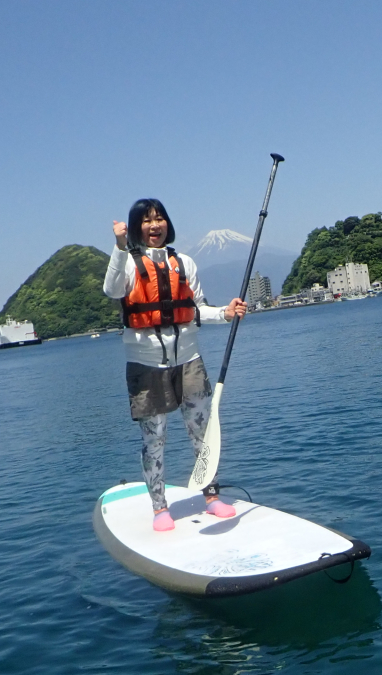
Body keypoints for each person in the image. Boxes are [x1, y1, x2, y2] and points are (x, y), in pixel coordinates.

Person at [103, 198, 247, 532]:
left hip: (190, 361)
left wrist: (224, 313)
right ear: (137, 226)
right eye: (147, 221)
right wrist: (119, 246)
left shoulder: (184, 263)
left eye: (160, 219)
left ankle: (211, 496)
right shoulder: (126, 262)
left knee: (202, 431)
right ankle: (159, 507)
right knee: (155, 439)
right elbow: (111, 290)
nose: (155, 226)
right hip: (146, 364)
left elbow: (196, 309)